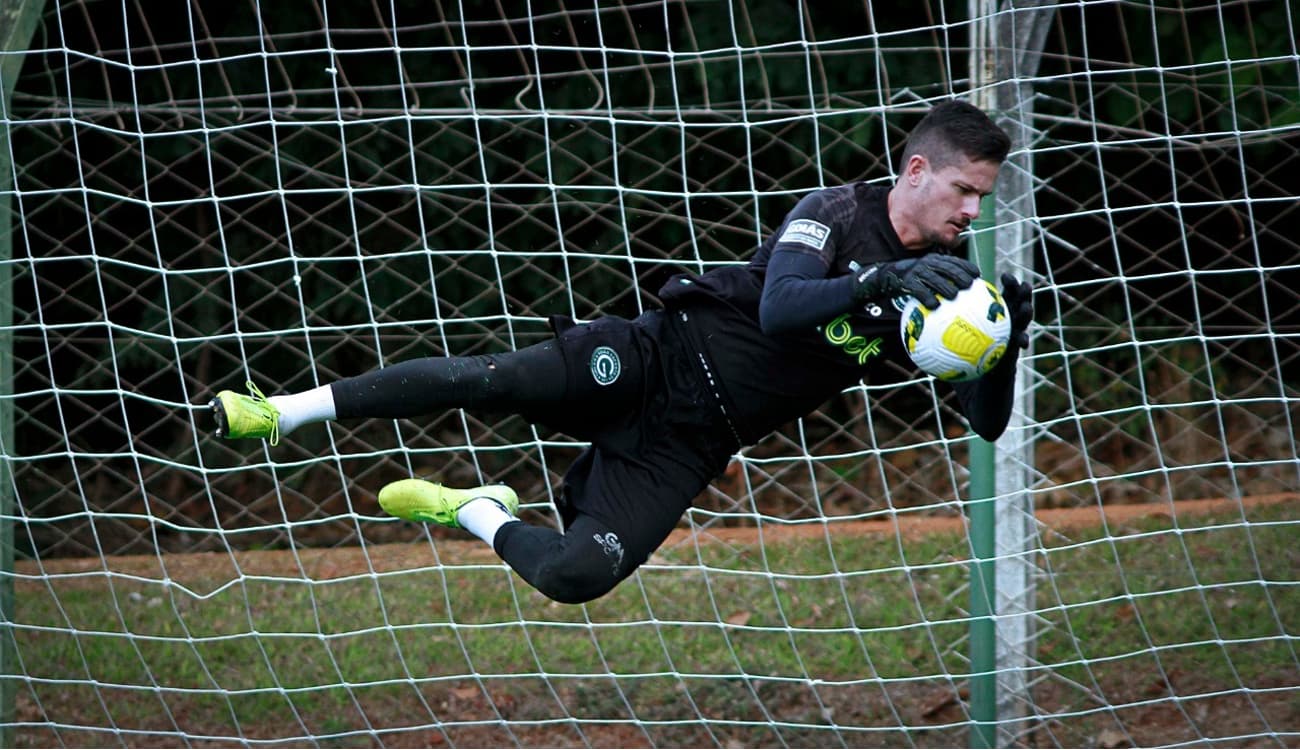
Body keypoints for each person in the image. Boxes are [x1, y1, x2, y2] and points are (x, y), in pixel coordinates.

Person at [210, 99, 1033, 604]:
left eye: (981, 198)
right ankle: (283, 411)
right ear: (918, 170)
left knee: (577, 576)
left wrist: (1006, 347)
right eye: (964, 190)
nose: (971, 210)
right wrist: (873, 287)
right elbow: (783, 307)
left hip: (689, 444)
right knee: (481, 379)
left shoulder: (945, 298)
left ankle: (476, 510)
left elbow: (984, 426)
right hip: (655, 355)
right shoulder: (835, 210)